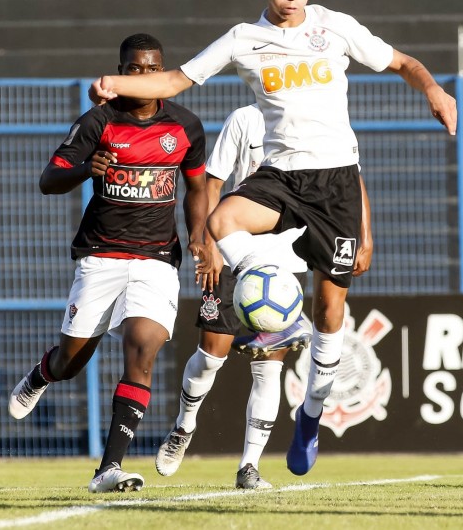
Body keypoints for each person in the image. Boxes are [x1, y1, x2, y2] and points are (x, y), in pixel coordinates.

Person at [89, 0, 456, 476]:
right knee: (221, 220)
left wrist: (434, 90)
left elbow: (403, 62)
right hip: (282, 177)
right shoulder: (242, 39)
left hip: (335, 183)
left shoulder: (336, 28)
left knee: (331, 314)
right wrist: (116, 83)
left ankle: (309, 417)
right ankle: (278, 311)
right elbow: (175, 78)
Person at [8, 34, 208, 493]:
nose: (144, 76)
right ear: (119, 72)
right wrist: (85, 169)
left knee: (143, 347)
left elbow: (197, 187)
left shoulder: (186, 127)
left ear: (164, 70)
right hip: (100, 258)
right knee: (70, 363)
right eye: (133, 69)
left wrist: (199, 236)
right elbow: (48, 179)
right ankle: (42, 374)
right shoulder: (98, 122)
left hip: (157, 259)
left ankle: (109, 469)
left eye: (152, 67)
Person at [154, 103, 373, 489]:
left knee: (269, 366)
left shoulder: (324, 120)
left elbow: (352, 179)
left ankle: (249, 467)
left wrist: (366, 236)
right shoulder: (246, 119)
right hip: (238, 254)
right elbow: (213, 184)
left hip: (286, 265)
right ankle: (183, 426)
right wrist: (209, 244)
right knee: (210, 357)